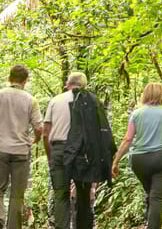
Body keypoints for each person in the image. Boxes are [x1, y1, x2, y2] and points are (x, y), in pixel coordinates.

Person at [111, 83, 162, 229]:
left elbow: (128, 139)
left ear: (144, 95)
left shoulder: (137, 113)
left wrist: (116, 161)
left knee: (151, 194)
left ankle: (148, 224)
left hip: (140, 161)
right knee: (156, 197)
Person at [0, 65, 42, 229]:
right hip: (21, 151)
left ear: (9, 78)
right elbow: (39, 127)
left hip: (0, 148)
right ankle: (13, 226)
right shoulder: (31, 100)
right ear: (26, 80)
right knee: (16, 194)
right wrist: (34, 140)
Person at [43, 72, 97, 229]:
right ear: (84, 85)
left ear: (68, 84)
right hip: (82, 152)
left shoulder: (55, 101)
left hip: (58, 149)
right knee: (83, 195)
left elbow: (46, 133)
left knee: (61, 195)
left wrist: (50, 156)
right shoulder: (91, 101)